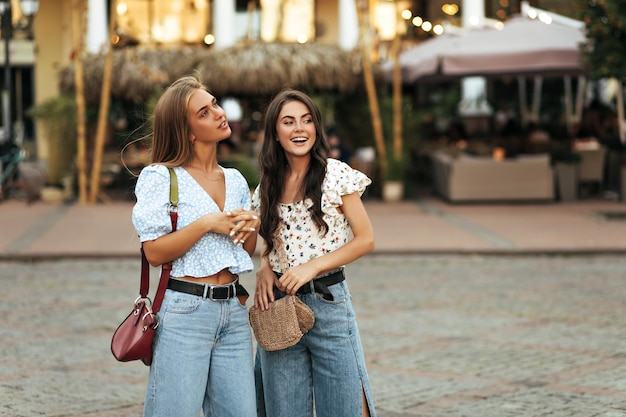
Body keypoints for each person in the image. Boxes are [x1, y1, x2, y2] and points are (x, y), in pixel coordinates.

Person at [131, 75, 259, 417]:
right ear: (186, 130)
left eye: (215, 104)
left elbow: (244, 252)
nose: (218, 113)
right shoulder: (161, 177)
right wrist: (205, 224)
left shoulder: (234, 179)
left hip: (233, 311)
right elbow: (154, 253)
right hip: (184, 313)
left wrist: (251, 226)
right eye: (204, 112)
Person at [252, 89, 377, 417]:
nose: (299, 129)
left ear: (316, 128)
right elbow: (270, 239)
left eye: (307, 121)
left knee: (345, 407)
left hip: (329, 303)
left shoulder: (336, 174)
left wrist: (312, 267)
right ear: (275, 134)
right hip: (280, 308)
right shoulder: (268, 183)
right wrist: (264, 267)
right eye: (289, 122)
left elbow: (365, 239)